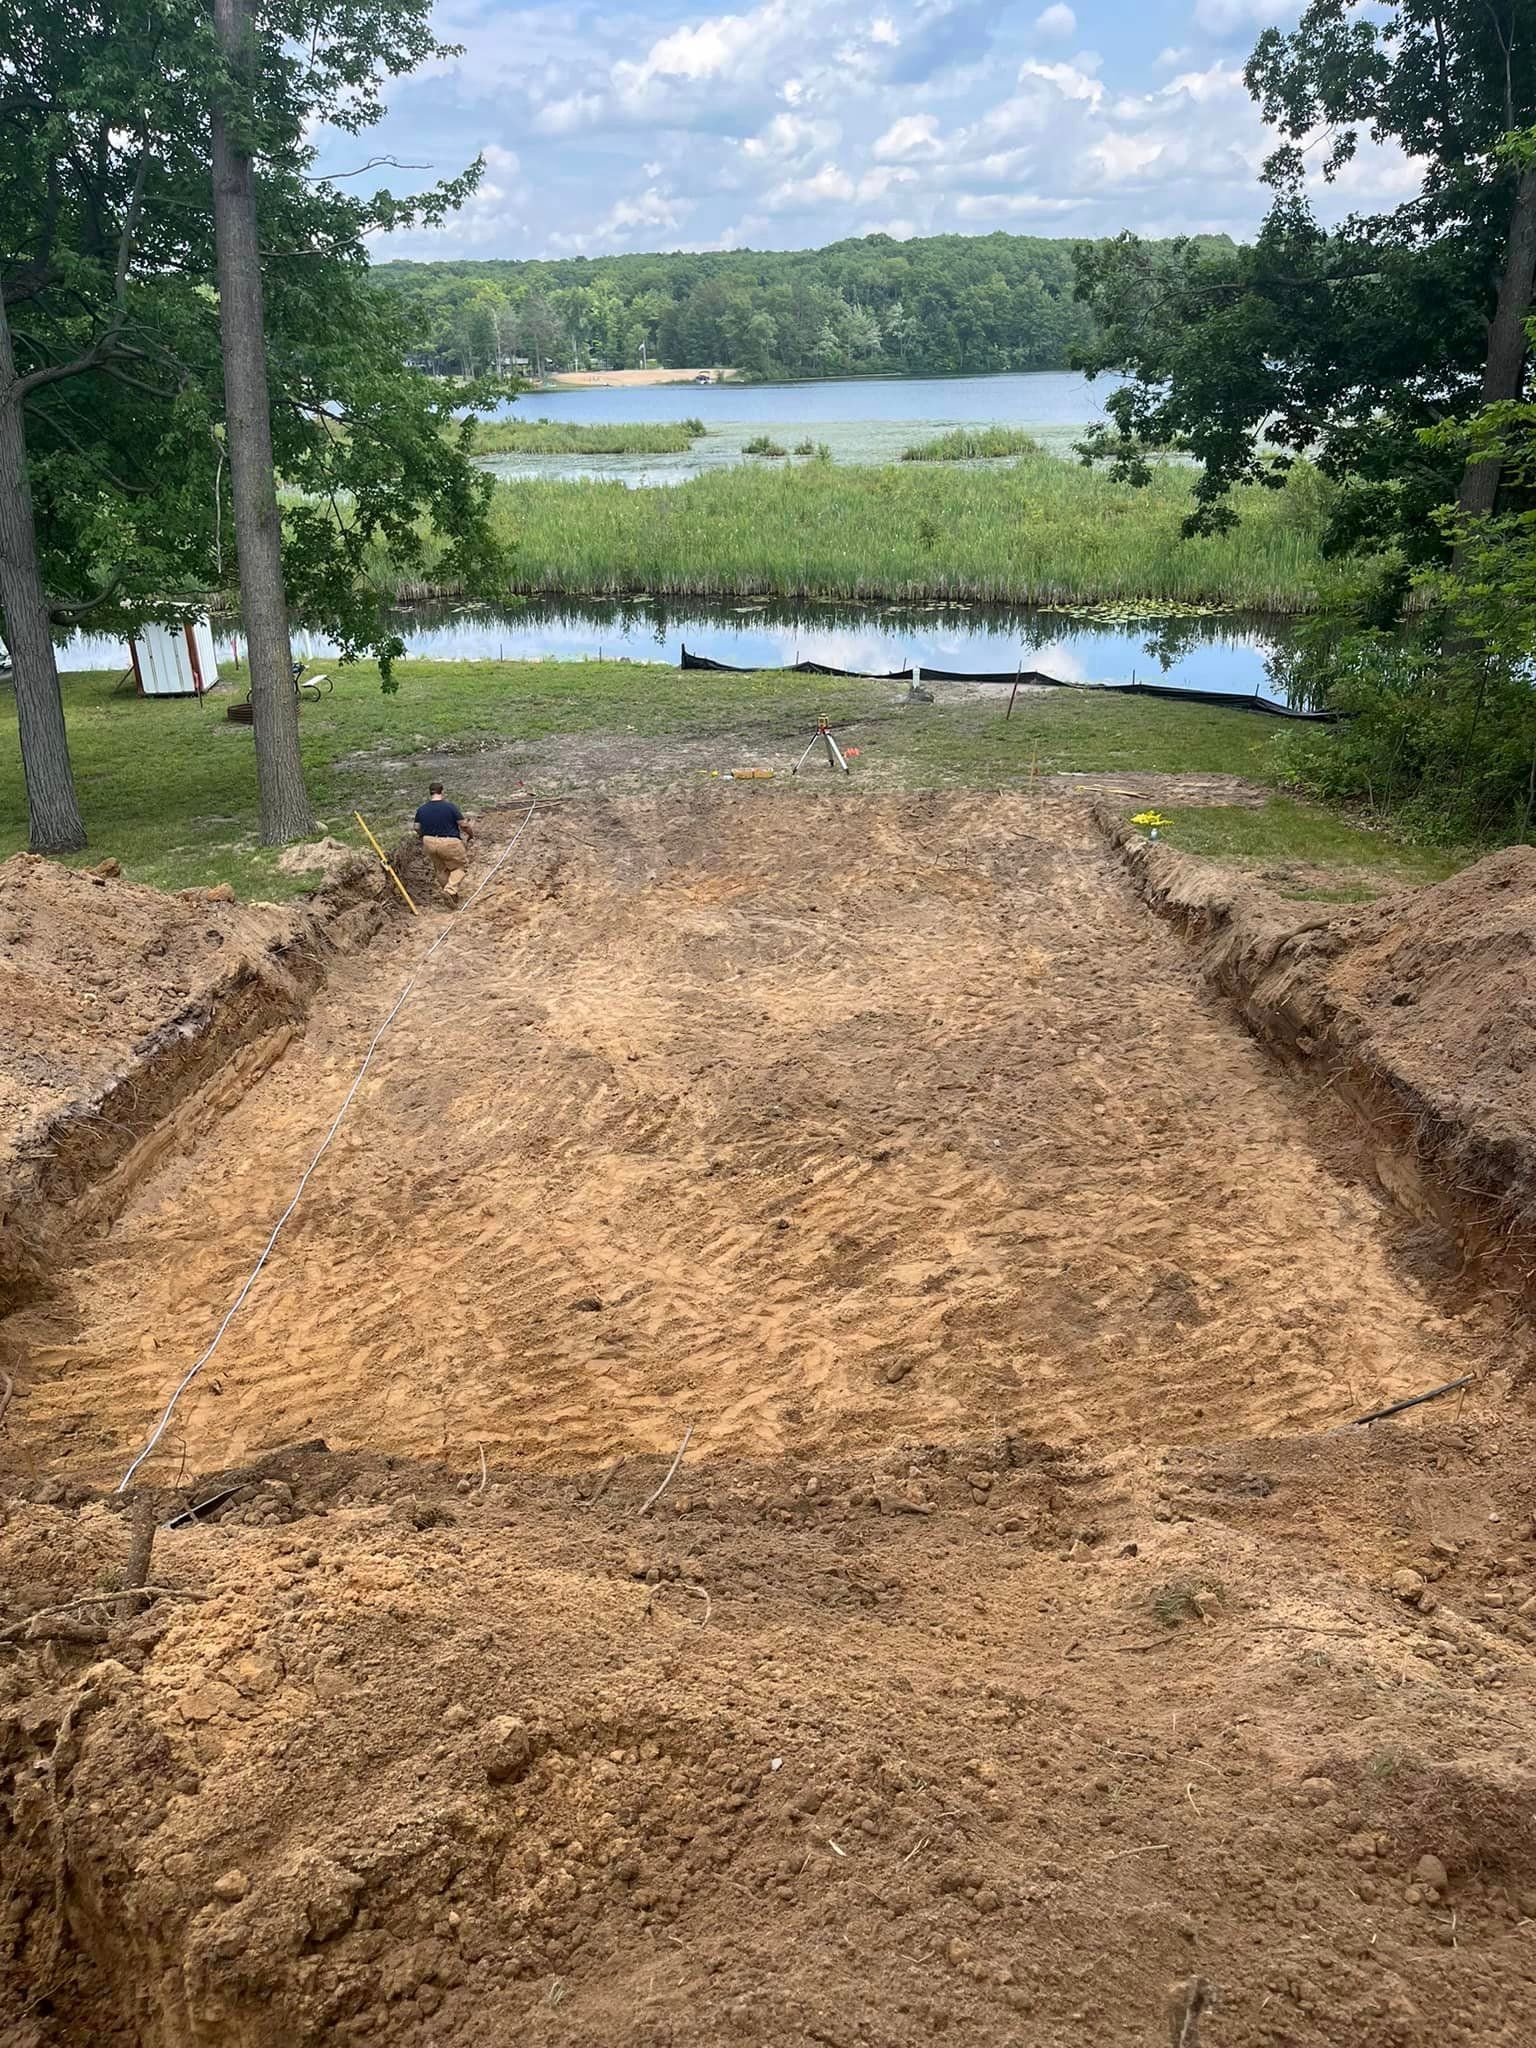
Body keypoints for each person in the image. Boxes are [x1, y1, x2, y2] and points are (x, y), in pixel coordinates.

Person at [413, 781, 474, 902]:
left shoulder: (422, 809)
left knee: (441, 869)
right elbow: (463, 825)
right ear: (442, 792)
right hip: (449, 841)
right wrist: (470, 834)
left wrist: (422, 836)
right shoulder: (450, 807)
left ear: (430, 793)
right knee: (460, 867)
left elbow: (416, 827)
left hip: (429, 841)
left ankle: (451, 896)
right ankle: (450, 890)